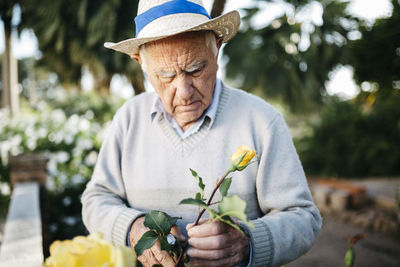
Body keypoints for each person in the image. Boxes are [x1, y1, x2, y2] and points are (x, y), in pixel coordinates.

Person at [81, 0, 322, 266]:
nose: (184, 92)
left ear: (217, 48)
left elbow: (303, 218)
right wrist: (132, 229)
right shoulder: (128, 119)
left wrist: (248, 242)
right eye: (165, 75)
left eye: (196, 69)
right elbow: (96, 200)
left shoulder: (261, 120)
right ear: (141, 63)